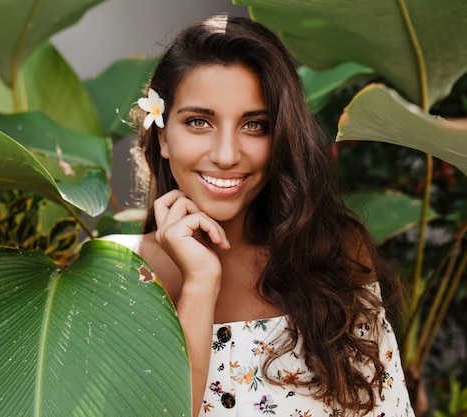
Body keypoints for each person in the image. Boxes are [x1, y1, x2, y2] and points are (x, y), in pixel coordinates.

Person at [103, 14, 413, 417]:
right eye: (199, 122)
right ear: (162, 135)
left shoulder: (334, 256)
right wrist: (199, 283)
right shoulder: (120, 273)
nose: (227, 154)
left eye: (255, 125)